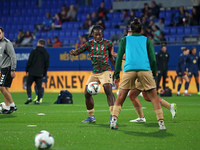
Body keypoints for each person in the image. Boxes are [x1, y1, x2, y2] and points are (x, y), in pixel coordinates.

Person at [110, 18, 166, 130]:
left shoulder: (125, 40)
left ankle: (113, 121)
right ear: (141, 30)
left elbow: (119, 57)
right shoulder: (147, 40)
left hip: (129, 69)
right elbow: (153, 60)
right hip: (144, 70)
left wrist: (116, 75)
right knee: (154, 98)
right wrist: (153, 73)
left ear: (131, 29)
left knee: (121, 97)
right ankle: (161, 124)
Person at [70, 25, 116, 123]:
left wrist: (116, 69)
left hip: (105, 71)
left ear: (102, 34)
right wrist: (74, 53)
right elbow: (78, 51)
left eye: (100, 34)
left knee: (108, 90)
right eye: (96, 35)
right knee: (87, 93)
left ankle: (113, 115)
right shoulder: (89, 44)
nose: (98, 36)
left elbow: (111, 57)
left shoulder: (108, 43)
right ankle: (91, 117)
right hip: (95, 72)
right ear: (93, 35)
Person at [24, 39, 49, 104]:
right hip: (40, 73)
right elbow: (46, 65)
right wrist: (44, 74)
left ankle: (29, 97)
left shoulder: (34, 51)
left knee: (29, 84)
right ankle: (38, 100)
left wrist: (27, 69)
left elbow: (30, 61)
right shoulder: (46, 54)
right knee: (39, 87)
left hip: (32, 71)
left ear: (39, 44)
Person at [0, 27, 17, 114]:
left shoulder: (7, 43)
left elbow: (13, 56)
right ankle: (7, 107)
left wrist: (13, 69)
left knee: (1, 87)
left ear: (3, 33)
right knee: (5, 88)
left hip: (7, 68)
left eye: (0, 33)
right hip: (2, 68)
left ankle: (13, 105)